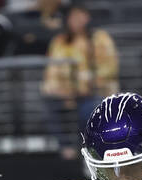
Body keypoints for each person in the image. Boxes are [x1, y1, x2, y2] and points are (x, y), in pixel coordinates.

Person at [41, 3, 118, 160]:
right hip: (66, 94)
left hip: (96, 92)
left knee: (88, 110)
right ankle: (66, 149)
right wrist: (65, 92)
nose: (77, 20)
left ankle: (88, 150)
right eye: (73, 16)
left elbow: (109, 69)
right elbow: (52, 73)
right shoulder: (59, 41)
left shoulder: (100, 39)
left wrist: (82, 88)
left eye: (80, 15)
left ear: (87, 17)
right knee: (49, 104)